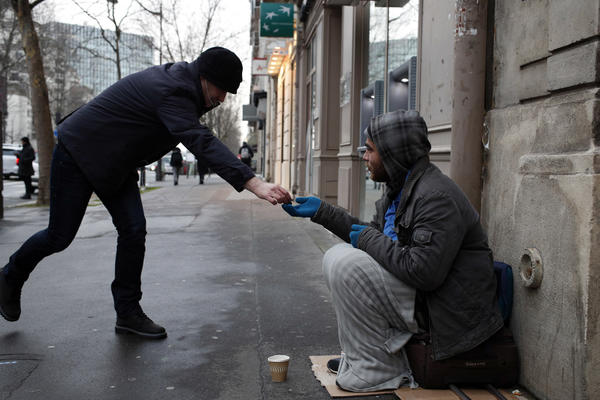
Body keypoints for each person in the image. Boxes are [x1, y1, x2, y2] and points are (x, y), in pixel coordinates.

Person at [0, 47, 291, 339]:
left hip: (116, 161)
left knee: (133, 229)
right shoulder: (174, 89)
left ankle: (127, 312)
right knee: (59, 236)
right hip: (78, 151)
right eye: (222, 89)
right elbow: (199, 140)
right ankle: (9, 277)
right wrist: (253, 183)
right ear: (204, 78)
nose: (222, 98)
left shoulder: (185, 87)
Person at [282, 110, 503, 392]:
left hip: (446, 311)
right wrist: (323, 212)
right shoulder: (398, 190)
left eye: (371, 150)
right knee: (341, 260)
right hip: (425, 297)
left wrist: (367, 241)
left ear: (393, 154)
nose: (364, 156)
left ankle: (378, 369)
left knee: (344, 264)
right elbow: (372, 238)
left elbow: (423, 273)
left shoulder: (435, 196)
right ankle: (367, 359)